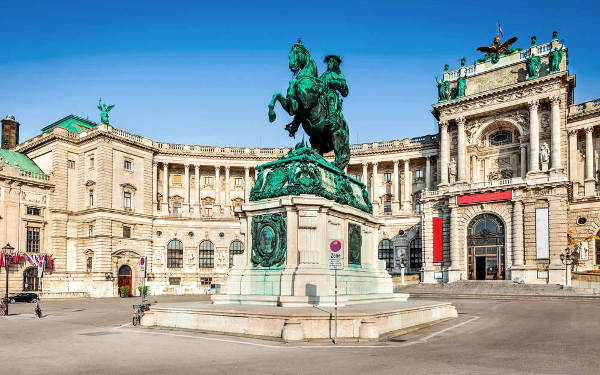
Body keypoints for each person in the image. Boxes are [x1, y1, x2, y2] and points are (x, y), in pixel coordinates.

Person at [319, 55, 348, 132]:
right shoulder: (322, 76)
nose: (329, 64)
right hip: (321, 95)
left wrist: (336, 83)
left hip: (331, 95)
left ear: (335, 63)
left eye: (331, 62)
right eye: (328, 62)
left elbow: (345, 92)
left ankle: (332, 118)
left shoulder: (339, 75)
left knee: (330, 96)